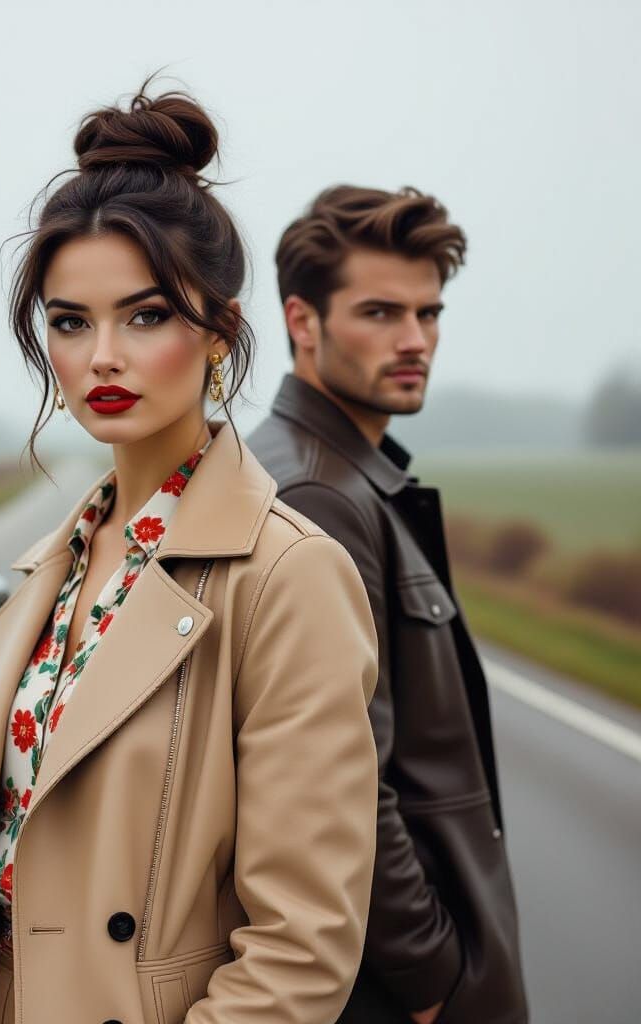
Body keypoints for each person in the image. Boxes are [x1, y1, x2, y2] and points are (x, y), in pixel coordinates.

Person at [0, 87, 380, 1024]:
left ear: (220, 334)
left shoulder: (288, 577)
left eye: (147, 315)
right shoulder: (52, 569)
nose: (102, 356)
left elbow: (301, 950)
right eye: (70, 321)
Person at [248, 186, 529, 1024]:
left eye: (429, 313)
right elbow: (336, 781)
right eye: (380, 312)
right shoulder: (319, 492)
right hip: (390, 988)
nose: (415, 341)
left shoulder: (336, 474)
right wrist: (432, 979)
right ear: (304, 322)